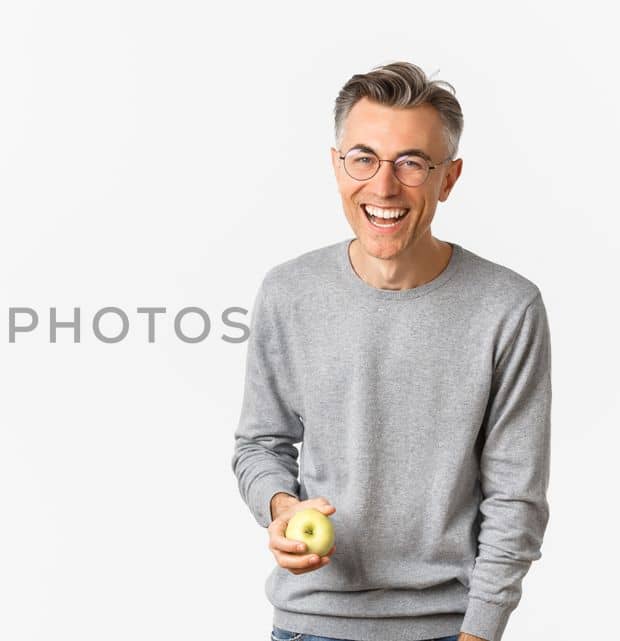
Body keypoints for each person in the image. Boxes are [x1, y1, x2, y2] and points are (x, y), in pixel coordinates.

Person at [231, 62, 551, 641]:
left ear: (447, 179)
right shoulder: (289, 291)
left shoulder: (508, 306)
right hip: (310, 626)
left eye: (411, 163)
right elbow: (260, 443)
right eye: (363, 158)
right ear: (337, 167)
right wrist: (281, 508)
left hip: (450, 629)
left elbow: (515, 494)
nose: (383, 187)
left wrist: (481, 630)